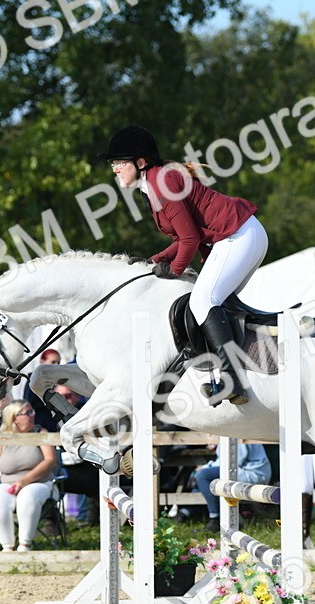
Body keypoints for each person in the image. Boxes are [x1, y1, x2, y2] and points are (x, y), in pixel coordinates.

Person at [100, 124, 267, 406]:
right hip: (239, 236)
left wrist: (174, 270)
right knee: (217, 304)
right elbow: (183, 237)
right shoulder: (151, 187)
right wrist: (156, 260)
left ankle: (231, 380)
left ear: (140, 163)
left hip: (238, 235)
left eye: (119, 162)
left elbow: (190, 240)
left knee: (202, 301)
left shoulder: (161, 182)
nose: (115, 168)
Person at [0, 400, 59, 552]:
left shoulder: (40, 432)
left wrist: (24, 481)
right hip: (7, 484)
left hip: (39, 483)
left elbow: (50, 461)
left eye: (32, 411)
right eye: (28, 413)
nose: (33, 416)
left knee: (27, 495)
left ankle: (25, 545)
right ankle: (7, 548)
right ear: (14, 418)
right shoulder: (2, 437)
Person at [193, 443, 272, 532]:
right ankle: (185, 512)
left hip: (252, 473)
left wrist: (206, 466)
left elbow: (233, 461)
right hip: (244, 470)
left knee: (203, 475)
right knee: (201, 476)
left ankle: (216, 518)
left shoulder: (237, 431)